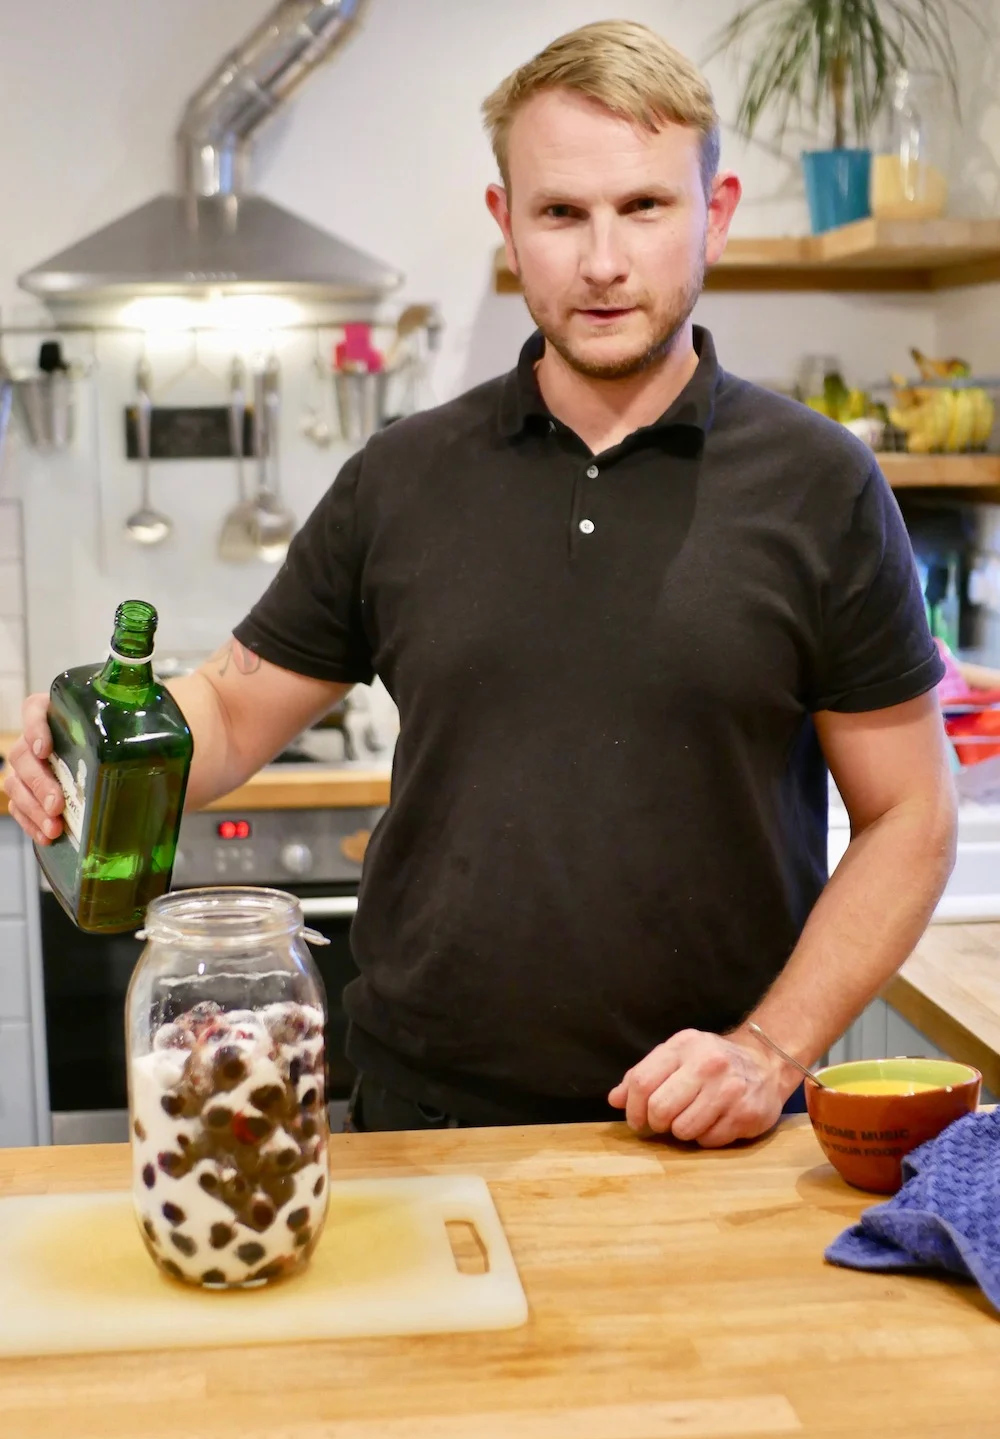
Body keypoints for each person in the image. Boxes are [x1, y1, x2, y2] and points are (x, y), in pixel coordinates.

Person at [5, 20, 956, 1143]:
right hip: (422, 1119)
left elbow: (910, 813)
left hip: (709, 1128)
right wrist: (88, 747)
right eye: (561, 212)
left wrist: (767, 1049)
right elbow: (227, 707)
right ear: (507, 220)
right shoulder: (403, 475)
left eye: (643, 207)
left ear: (715, 211)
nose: (603, 260)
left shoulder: (821, 483)